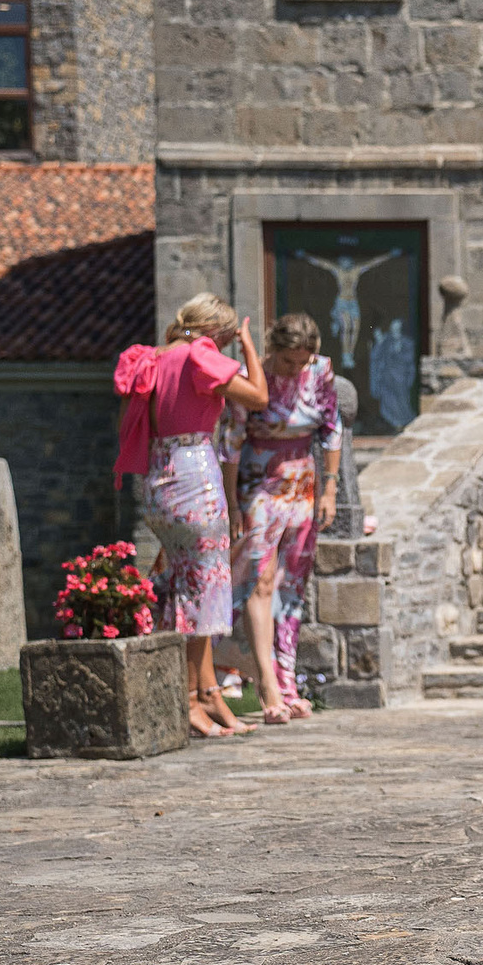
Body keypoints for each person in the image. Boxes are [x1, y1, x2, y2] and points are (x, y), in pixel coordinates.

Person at [115, 294, 269, 739]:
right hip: (192, 476)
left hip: (158, 479)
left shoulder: (156, 357)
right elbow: (257, 397)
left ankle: (207, 693)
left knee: (189, 586)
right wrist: (248, 346)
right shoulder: (200, 356)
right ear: (217, 331)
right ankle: (189, 699)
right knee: (202, 587)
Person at [235, 313, 344, 723]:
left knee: (293, 585)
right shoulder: (253, 376)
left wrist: (329, 489)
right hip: (258, 482)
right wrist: (231, 500)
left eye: (302, 361)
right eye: (287, 361)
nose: (295, 369)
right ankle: (266, 685)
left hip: (303, 483)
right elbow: (231, 438)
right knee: (260, 580)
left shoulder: (321, 373)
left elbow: (331, 430)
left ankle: (288, 682)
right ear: (273, 349)